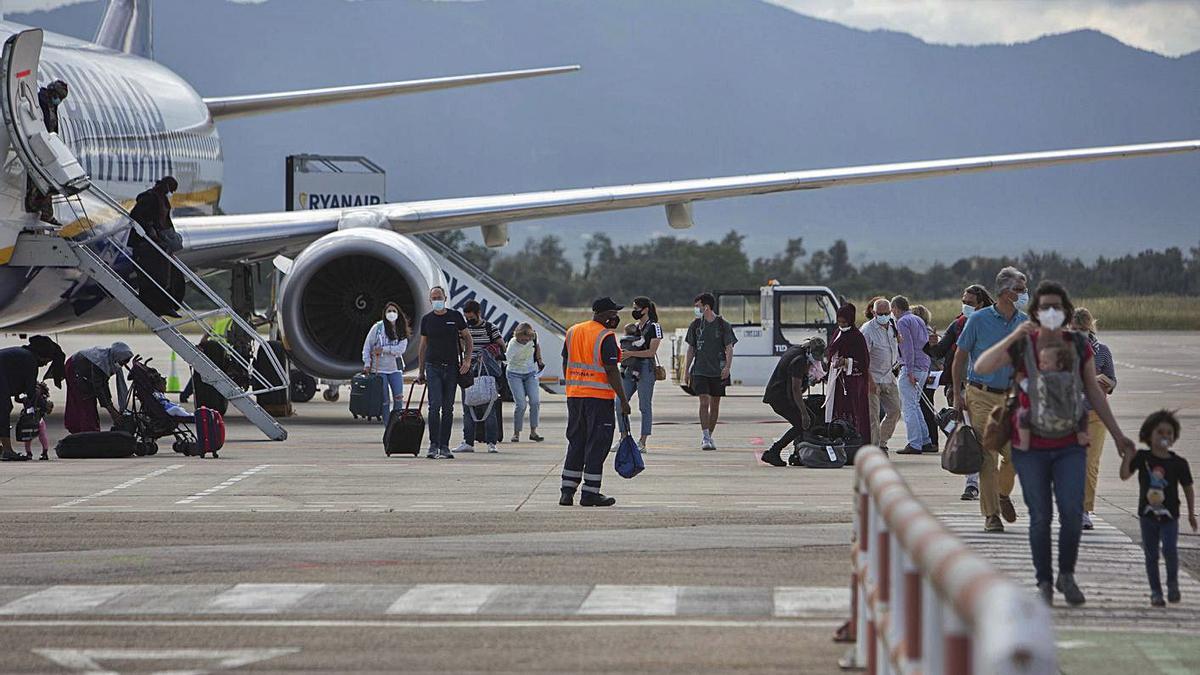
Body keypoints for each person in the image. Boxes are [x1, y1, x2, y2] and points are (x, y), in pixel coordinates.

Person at [974, 280, 1136, 606]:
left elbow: (1094, 390)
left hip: (1070, 444)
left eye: (1056, 307)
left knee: (1072, 513)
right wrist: (1014, 336)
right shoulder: (1024, 344)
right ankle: (1044, 581)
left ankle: (1066, 574)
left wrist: (1119, 435)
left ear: (1066, 312)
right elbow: (982, 366)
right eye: (1044, 307)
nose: (1050, 312)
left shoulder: (1079, 345)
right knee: (1040, 517)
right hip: (1030, 446)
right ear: (1034, 311)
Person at [954, 266, 1028, 533]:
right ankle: (991, 515)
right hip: (980, 395)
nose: (1023, 295)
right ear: (1004, 292)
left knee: (1016, 454)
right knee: (988, 454)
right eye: (1019, 290)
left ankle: (1002, 494)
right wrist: (957, 393)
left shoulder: (1024, 323)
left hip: (1011, 398)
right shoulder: (979, 320)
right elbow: (960, 357)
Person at [1120, 410, 1196, 607]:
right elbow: (1124, 475)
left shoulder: (1179, 463)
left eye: (1169, 433)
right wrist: (1128, 456)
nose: (1164, 437)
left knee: (1170, 550)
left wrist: (1191, 513)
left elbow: (1188, 488)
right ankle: (1155, 591)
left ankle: (1172, 584)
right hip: (1147, 516)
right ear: (1148, 435)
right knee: (1151, 554)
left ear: (1174, 437)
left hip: (1170, 516)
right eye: (1160, 432)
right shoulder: (1143, 458)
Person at [560, 298, 630, 507]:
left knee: (576, 442)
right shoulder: (605, 336)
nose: (616, 317)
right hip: (598, 399)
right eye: (613, 313)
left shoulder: (573, 331)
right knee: (597, 445)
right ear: (604, 314)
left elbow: (566, 360)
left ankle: (567, 491)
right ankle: (590, 493)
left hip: (575, 396)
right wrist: (624, 400)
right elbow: (611, 370)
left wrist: (574, 384)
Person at [929, 285, 994, 500]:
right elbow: (939, 352)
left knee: (991, 440)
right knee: (970, 438)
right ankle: (972, 484)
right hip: (965, 389)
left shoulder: (994, 324)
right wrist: (930, 344)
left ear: (982, 304)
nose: (965, 305)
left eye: (970, 303)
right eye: (963, 301)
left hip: (992, 390)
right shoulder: (958, 325)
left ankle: (993, 483)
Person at [415, 287, 472, 459]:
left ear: (445, 298)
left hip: (452, 366)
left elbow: (468, 338)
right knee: (434, 407)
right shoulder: (427, 320)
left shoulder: (455, 317)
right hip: (433, 367)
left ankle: (444, 446)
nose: (437, 300)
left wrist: (467, 361)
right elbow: (423, 345)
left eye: (439, 297)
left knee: (448, 408)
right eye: (434, 298)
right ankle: (433, 445)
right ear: (430, 300)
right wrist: (421, 370)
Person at [1072, 308, 1116, 531]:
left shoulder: (1102, 351)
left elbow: (1112, 381)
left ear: (1090, 328)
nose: (1079, 333)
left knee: (1090, 464)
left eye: (1083, 329)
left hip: (1096, 414)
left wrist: (1102, 380)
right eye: (1075, 329)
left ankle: (1084, 510)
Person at [1011, 342, 1090, 451]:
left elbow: (1033, 390)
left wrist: (1021, 380)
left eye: (1045, 363)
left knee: (1022, 415)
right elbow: (1079, 394)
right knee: (1084, 412)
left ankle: (1024, 443)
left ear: (1059, 365)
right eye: (1041, 362)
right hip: (1069, 417)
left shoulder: (1046, 378)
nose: (1041, 365)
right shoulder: (1069, 377)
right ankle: (1081, 435)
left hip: (1049, 417)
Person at [761, 338, 825, 467]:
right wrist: (804, 413)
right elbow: (795, 389)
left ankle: (797, 453)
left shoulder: (797, 350)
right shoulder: (799, 360)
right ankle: (773, 451)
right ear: (809, 350)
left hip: (781, 395)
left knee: (807, 421)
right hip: (780, 397)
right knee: (803, 423)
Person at [685, 292, 736, 451]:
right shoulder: (695, 325)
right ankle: (705, 436)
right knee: (704, 401)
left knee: (715, 404)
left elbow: (729, 347)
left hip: (718, 370)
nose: (696, 309)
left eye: (698, 306)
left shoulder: (723, 325)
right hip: (700, 370)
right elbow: (691, 348)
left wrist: (727, 367)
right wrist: (686, 370)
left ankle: (710, 434)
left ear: (706, 306)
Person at [0, 336, 65, 460]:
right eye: (48, 360)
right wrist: (45, 404)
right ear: (42, 355)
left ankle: (3, 448)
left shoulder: (23, 355)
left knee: (5, 407)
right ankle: (7, 451)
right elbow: (31, 392)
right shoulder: (30, 360)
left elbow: (22, 388)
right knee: (3, 409)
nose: (46, 364)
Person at [129, 176, 184, 316]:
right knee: (156, 277)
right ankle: (157, 305)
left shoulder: (162, 199)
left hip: (159, 245)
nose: (170, 193)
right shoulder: (148, 198)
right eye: (170, 189)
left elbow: (164, 221)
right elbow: (136, 215)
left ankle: (168, 304)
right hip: (146, 245)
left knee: (171, 274)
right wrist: (149, 229)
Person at [456, 300, 504, 454]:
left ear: (479, 313)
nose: (469, 320)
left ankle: (491, 442)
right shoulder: (463, 329)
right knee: (468, 407)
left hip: (486, 373)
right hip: (468, 373)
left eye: (471, 317)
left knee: (489, 408)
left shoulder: (490, 328)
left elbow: (502, 346)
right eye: (467, 318)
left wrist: (488, 352)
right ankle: (468, 441)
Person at [617, 296, 663, 452]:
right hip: (630, 367)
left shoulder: (654, 327)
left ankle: (643, 441)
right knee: (619, 402)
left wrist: (630, 354)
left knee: (644, 406)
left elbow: (651, 352)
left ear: (646, 309)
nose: (634, 311)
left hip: (645, 368)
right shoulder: (634, 326)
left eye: (637, 308)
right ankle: (624, 437)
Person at [64, 342, 135, 434]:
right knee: (84, 400)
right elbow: (99, 387)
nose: (124, 365)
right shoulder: (100, 361)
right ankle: (86, 430)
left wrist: (110, 406)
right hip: (74, 367)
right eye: (123, 361)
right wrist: (111, 411)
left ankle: (85, 428)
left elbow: (104, 384)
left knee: (88, 400)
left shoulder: (110, 358)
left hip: (84, 371)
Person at [892, 296, 932, 455]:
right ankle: (925, 440)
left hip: (912, 368)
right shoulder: (917, 319)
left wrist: (908, 371)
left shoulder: (902, 322)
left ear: (895, 308)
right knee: (915, 405)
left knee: (909, 407)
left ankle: (914, 443)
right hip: (923, 366)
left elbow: (907, 348)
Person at [24, 80, 68, 224]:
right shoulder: (40, 102)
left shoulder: (50, 105)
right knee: (42, 180)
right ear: (52, 92)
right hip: (39, 147)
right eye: (58, 97)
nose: (59, 101)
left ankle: (44, 211)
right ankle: (40, 209)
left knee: (48, 181)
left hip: (46, 146)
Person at [826, 304, 871, 442]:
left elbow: (864, 361)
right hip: (838, 380)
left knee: (854, 411)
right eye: (839, 322)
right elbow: (831, 351)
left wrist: (846, 362)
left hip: (853, 382)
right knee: (838, 409)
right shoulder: (837, 333)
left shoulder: (857, 337)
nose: (841, 325)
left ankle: (855, 441)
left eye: (844, 322)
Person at [860, 298, 901, 450]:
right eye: (880, 313)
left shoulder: (892, 324)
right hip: (873, 378)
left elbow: (896, 343)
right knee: (873, 416)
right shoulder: (867, 330)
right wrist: (869, 381)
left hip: (889, 376)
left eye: (886, 313)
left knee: (895, 410)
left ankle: (882, 441)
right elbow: (863, 359)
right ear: (873, 312)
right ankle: (875, 446)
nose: (883, 316)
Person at [361, 302, 410, 418]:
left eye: (394, 311)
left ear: (398, 314)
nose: (391, 314)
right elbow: (367, 347)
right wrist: (367, 364)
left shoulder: (401, 329)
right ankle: (388, 426)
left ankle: (396, 423)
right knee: (385, 401)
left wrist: (383, 349)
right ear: (384, 313)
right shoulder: (377, 328)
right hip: (379, 370)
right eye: (389, 311)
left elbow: (400, 349)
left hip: (395, 369)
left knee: (398, 399)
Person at [505, 323, 545, 443]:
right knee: (521, 404)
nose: (524, 341)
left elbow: (536, 347)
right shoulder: (513, 344)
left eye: (527, 339)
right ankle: (516, 433)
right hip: (514, 373)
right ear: (517, 336)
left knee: (535, 401)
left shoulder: (534, 338)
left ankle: (533, 432)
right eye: (522, 339)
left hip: (530, 373)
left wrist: (539, 360)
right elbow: (506, 359)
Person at [911, 304, 941, 453]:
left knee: (926, 408)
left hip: (929, 375)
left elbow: (932, 355)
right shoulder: (926, 331)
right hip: (930, 374)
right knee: (924, 407)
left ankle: (931, 440)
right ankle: (929, 439)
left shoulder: (925, 333)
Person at [20, 382, 53, 461]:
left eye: (38, 388)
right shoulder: (27, 399)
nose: (35, 390)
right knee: (28, 438)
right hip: (29, 421)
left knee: (42, 436)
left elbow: (45, 408)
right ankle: (29, 453)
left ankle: (44, 452)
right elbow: (18, 400)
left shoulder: (41, 400)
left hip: (39, 421)